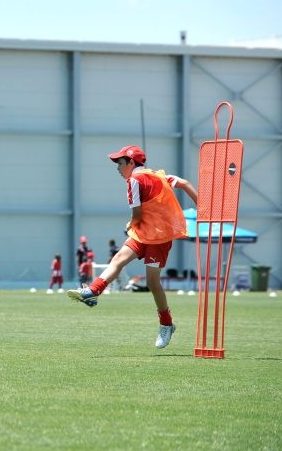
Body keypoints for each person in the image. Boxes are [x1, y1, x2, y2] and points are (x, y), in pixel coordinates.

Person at [68, 145, 197, 349]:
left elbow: (136, 215)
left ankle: (167, 324)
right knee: (118, 259)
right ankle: (92, 291)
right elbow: (184, 182)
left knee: (153, 284)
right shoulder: (158, 175)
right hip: (143, 233)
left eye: (120, 163)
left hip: (159, 237)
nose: (118, 168)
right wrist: (203, 206)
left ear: (131, 163)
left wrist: (130, 224)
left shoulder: (134, 181)